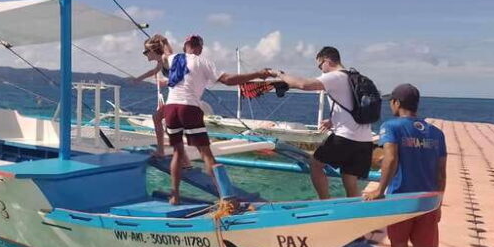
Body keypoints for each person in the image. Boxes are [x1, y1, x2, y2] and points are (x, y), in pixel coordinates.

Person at [164, 35, 270, 204]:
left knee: (177, 153)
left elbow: (165, 52)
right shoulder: (202, 61)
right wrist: (258, 74)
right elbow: (228, 80)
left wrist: (162, 42)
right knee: (207, 155)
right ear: (199, 48)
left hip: (170, 108)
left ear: (185, 47)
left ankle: (174, 196)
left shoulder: (173, 58)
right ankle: (226, 198)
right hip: (189, 107)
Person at [363, 84, 446, 247]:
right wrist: (438, 202)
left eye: (391, 101)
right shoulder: (437, 133)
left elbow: (390, 158)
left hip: (401, 199)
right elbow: (441, 173)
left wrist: (380, 190)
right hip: (428, 201)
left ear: (397, 103)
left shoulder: (392, 126)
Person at [269, 46, 373, 198]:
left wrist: (280, 75)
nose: (321, 71)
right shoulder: (357, 78)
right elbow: (355, 107)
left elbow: (304, 84)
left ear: (327, 60)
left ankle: (324, 201)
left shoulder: (336, 76)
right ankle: (354, 211)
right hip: (365, 140)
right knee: (349, 177)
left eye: (320, 66)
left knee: (315, 164)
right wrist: (333, 120)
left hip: (345, 138)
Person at [132, 35, 191, 168]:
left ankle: (182, 160)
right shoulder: (160, 62)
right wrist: (139, 78)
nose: (144, 54)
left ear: (153, 50)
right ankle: (164, 152)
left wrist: (167, 82)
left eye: (145, 51)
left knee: (170, 127)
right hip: (178, 97)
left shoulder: (166, 58)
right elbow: (153, 71)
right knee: (160, 120)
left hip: (180, 98)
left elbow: (179, 69)